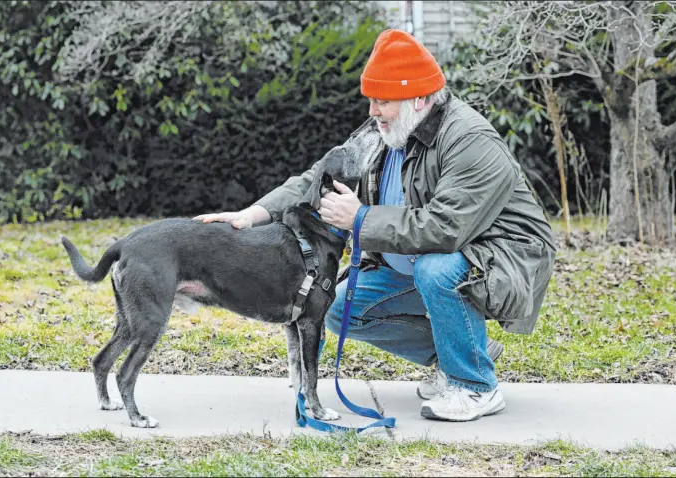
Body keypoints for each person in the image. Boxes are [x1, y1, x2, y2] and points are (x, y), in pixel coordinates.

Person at [194, 29, 556, 422]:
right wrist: (253, 214)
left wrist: (360, 219)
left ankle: (475, 387)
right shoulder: (386, 131)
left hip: (502, 257)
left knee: (439, 269)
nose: (372, 111)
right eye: (370, 100)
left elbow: (446, 229)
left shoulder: (470, 140)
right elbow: (316, 177)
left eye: (382, 102)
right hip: (416, 257)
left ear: (419, 99)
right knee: (341, 308)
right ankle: (458, 356)